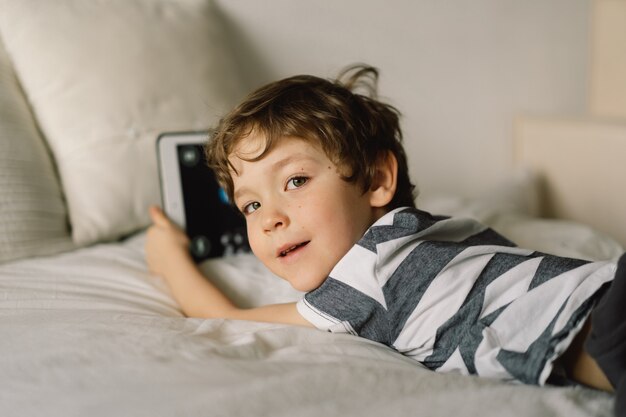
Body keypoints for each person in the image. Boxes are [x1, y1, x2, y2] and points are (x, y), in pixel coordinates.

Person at [145, 65, 626, 415]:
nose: (269, 218)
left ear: (376, 179)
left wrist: (171, 262)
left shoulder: (363, 277)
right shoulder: (440, 232)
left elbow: (225, 317)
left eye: (294, 181)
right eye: (250, 205)